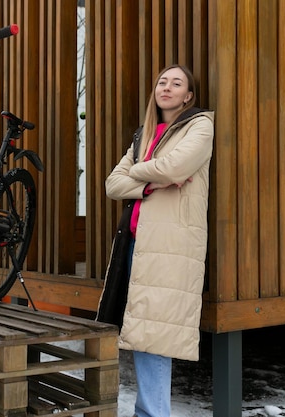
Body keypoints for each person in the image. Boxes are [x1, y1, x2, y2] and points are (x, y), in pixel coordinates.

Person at [97, 64, 214, 417]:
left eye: (176, 83)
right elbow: (111, 184)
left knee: (153, 336)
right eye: (162, 81)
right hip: (135, 243)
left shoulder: (200, 125)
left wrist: (138, 170)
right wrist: (149, 181)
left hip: (169, 245)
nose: (167, 87)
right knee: (140, 331)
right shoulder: (144, 134)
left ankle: (151, 414)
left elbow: (175, 167)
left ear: (188, 95)